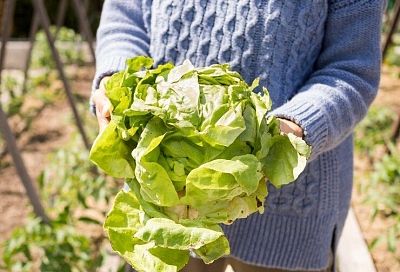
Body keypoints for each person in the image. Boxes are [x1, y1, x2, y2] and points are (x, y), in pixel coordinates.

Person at [91, 1, 385, 271]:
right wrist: (115, 81)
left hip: (290, 214)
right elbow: (126, 18)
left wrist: (285, 133)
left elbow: (352, 70)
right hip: (167, 203)